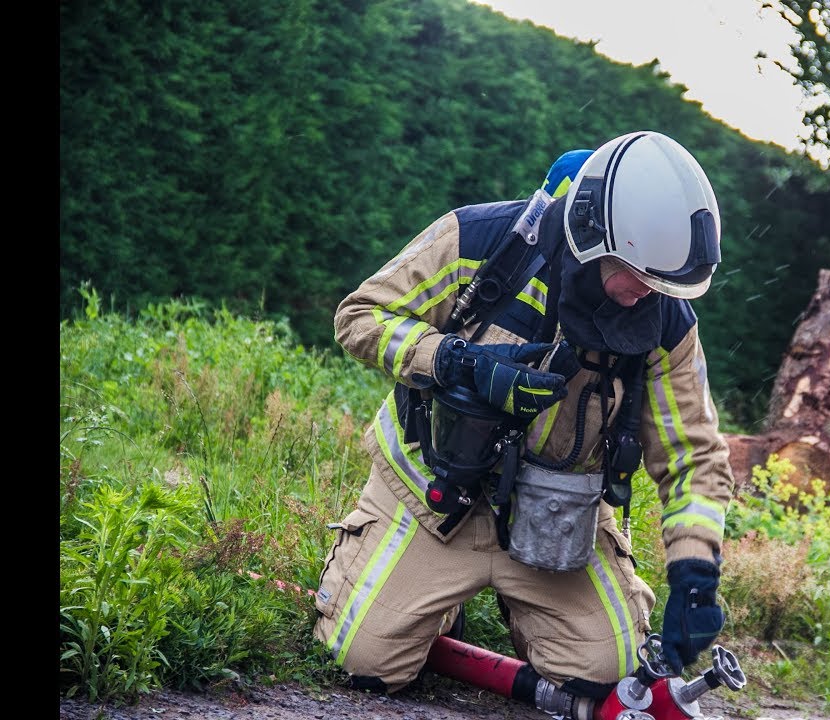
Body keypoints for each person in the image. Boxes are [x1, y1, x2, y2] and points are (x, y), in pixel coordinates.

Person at [313, 131, 734, 704]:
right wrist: (454, 362)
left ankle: (525, 604)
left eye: (663, 283)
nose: (646, 294)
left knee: (603, 680)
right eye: (639, 275)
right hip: (432, 497)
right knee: (365, 663)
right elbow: (360, 317)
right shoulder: (480, 239)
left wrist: (695, 570)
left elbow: (695, 456)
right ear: (596, 233)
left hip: (560, 522)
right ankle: (436, 600)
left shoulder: (662, 320)